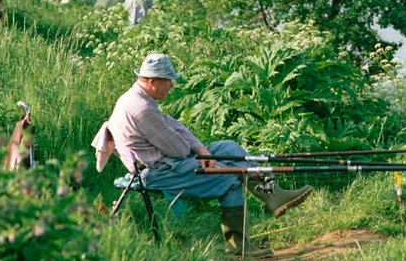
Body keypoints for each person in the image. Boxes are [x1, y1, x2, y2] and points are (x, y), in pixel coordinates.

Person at [107, 53, 313, 257]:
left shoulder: (138, 97)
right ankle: (237, 245)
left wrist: (202, 151)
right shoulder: (143, 110)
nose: (171, 86)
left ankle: (273, 194)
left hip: (169, 162)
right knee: (231, 176)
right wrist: (193, 149)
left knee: (229, 148)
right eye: (168, 81)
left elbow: (176, 126)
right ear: (152, 81)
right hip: (160, 172)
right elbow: (178, 150)